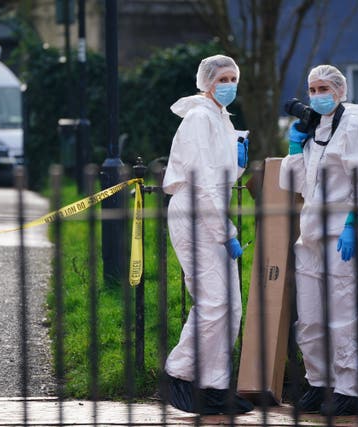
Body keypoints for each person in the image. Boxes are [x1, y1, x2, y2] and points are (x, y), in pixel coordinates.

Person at [279, 64, 358, 416]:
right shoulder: (317, 130)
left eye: (324, 88)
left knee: (343, 313)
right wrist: (296, 147)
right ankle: (318, 382)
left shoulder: (356, 128)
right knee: (309, 316)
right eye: (312, 89)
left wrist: (355, 219)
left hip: (343, 232)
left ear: (340, 91)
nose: (317, 95)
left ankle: (349, 390)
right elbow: (299, 184)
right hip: (310, 232)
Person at [162, 54, 253, 415]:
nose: (229, 85)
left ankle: (214, 385)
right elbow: (203, 183)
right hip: (196, 213)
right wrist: (226, 231)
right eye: (222, 78)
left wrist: (240, 159)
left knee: (230, 305)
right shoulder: (200, 117)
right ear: (207, 82)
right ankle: (180, 375)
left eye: (233, 78)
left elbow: (223, 177)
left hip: (211, 215)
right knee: (214, 303)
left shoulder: (221, 118)